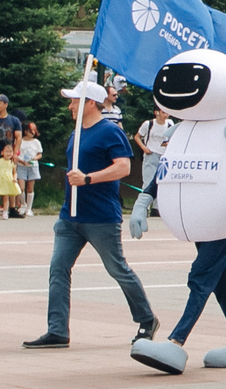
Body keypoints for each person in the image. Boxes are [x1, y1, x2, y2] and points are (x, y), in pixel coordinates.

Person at [22, 78, 156, 350]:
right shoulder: (77, 132)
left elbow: (123, 167)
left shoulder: (110, 132)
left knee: (117, 268)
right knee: (58, 268)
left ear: (91, 103)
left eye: (74, 101)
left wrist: (88, 179)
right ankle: (57, 330)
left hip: (101, 216)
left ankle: (147, 319)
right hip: (70, 217)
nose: (70, 106)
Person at [0, 138, 24, 219]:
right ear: (2, 152)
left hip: (7, 181)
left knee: (6, 198)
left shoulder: (12, 163)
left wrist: (15, 178)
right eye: (7, 152)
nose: (8, 153)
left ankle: (5, 212)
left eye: (10, 152)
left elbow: (14, 172)